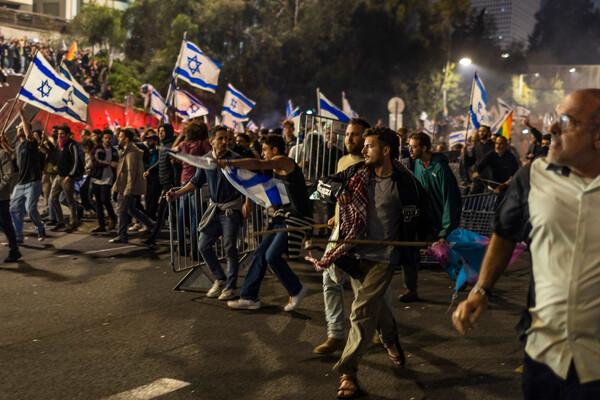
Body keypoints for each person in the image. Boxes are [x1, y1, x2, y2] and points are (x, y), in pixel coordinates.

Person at [453, 89, 600, 400]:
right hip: (543, 352)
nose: (552, 130)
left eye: (567, 121)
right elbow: (505, 234)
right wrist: (481, 289)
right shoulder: (533, 176)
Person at [314, 126, 430, 398]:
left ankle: (348, 372)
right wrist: (337, 191)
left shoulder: (407, 183)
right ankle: (390, 338)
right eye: (363, 145)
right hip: (354, 254)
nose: (363, 150)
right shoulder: (355, 174)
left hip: (384, 258)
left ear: (386, 150)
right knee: (375, 309)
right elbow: (322, 184)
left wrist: (433, 239)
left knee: (361, 310)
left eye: (369, 146)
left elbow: (425, 215)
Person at [221, 135, 313, 311]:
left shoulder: (284, 162)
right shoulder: (275, 169)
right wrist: (249, 201)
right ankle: (249, 297)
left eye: (264, 149)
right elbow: (267, 189)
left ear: (275, 150)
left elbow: (259, 164)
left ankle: (296, 289)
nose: (261, 153)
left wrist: (232, 163)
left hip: (297, 218)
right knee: (261, 253)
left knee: (272, 255)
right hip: (283, 216)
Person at [166, 126, 252, 300]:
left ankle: (230, 287)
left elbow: (247, 183)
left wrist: (247, 203)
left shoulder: (235, 159)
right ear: (211, 141)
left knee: (229, 247)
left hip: (231, 209)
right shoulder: (205, 160)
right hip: (214, 209)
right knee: (203, 245)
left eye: (227, 138)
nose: (225, 142)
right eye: (220, 138)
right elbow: (196, 181)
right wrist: (176, 194)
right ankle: (220, 279)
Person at [312, 117, 371, 355]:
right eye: (347, 134)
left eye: (355, 134)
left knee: (366, 285)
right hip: (340, 231)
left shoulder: (372, 163)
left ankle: (380, 330)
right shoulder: (342, 160)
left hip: (364, 233)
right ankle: (335, 334)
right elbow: (341, 195)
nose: (349, 138)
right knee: (329, 279)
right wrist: (337, 216)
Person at [406, 132, 461, 301]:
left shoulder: (441, 168)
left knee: (441, 250)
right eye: (409, 145)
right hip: (424, 219)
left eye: (413, 146)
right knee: (412, 249)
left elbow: (450, 201)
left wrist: (445, 229)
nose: (410, 149)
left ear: (424, 147)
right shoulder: (417, 163)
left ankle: (461, 273)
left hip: (439, 220)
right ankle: (411, 289)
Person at [110, 128, 154, 244]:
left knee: (122, 211)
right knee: (132, 210)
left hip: (126, 188)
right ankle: (152, 226)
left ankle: (122, 236)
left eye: (120, 137)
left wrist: (127, 190)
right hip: (125, 186)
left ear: (126, 139)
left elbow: (131, 172)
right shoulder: (127, 150)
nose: (118, 139)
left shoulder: (130, 153)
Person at [10, 110, 46, 243]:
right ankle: (18, 236)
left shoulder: (31, 142)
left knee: (30, 209)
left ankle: (40, 227)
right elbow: (13, 155)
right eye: (18, 128)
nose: (18, 129)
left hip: (33, 182)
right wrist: (2, 142)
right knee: (13, 208)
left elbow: (29, 135)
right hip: (20, 183)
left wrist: (22, 115)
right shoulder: (18, 145)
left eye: (20, 127)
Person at [50, 125, 83, 233]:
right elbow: (54, 157)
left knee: (70, 201)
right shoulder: (58, 145)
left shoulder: (72, 145)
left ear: (68, 135)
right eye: (59, 134)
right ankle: (61, 222)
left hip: (67, 178)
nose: (59, 136)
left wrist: (70, 175)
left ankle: (73, 223)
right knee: (53, 198)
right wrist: (55, 165)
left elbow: (76, 161)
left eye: (62, 134)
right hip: (59, 176)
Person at [90, 130, 119, 232]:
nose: (107, 140)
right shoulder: (97, 149)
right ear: (102, 138)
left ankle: (112, 217)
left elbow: (117, 162)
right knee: (98, 202)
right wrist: (109, 163)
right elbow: (96, 161)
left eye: (109, 138)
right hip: (97, 178)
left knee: (105, 199)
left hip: (108, 178)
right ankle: (101, 224)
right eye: (105, 138)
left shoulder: (114, 151)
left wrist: (113, 164)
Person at [0, 136, 21, 262]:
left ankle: (14, 250)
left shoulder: (3, 155)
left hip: (1, 198)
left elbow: (8, 175)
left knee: (6, 224)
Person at [464, 125, 495, 193]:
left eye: (483, 131)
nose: (481, 133)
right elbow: (471, 162)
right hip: (478, 177)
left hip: (491, 178)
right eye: (480, 131)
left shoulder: (493, 146)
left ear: (488, 133)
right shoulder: (477, 147)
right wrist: (465, 154)